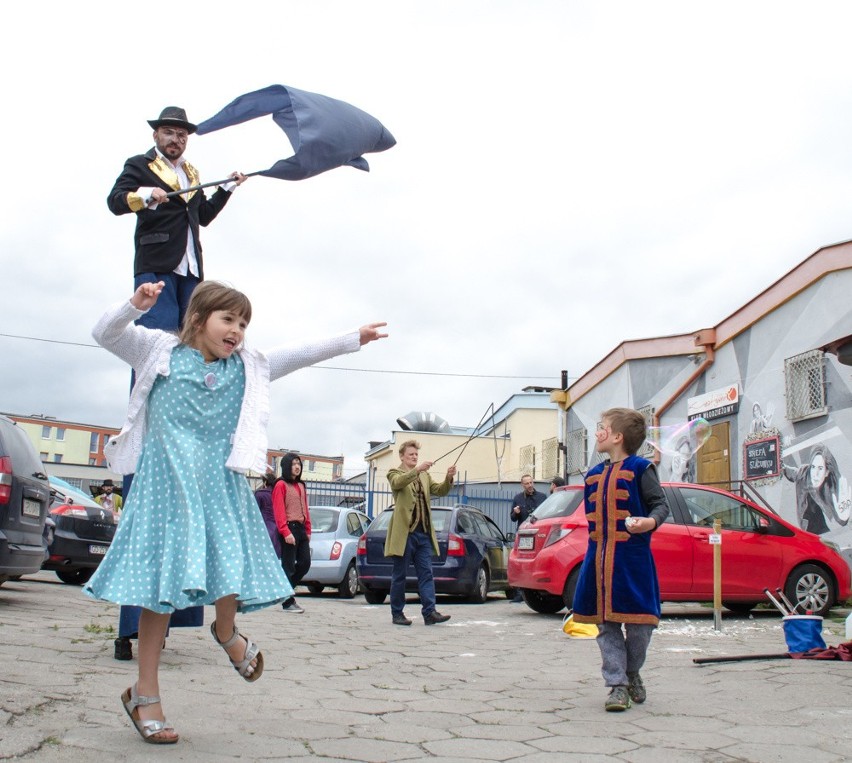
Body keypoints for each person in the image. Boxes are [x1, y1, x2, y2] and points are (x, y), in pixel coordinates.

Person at [83, 280, 387, 744]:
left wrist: (353, 338)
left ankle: (227, 633)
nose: (237, 331)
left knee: (229, 566)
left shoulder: (248, 366)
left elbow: (298, 353)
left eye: (244, 323)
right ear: (199, 319)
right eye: (229, 319)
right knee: (158, 591)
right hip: (166, 491)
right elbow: (105, 333)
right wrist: (133, 306)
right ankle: (145, 694)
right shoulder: (158, 350)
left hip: (220, 485)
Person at [107, 106, 247, 331]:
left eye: (181, 135)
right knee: (155, 336)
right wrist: (146, 195)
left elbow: (203, 216)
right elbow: (114, 201)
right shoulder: (140, 164)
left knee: (191, 338)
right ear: (156, 135)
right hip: (156, 263)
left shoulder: (191, 173)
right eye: (169, 132)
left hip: (191, 269)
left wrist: (226, 188)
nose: (175, 139)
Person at [572, 408, 670, 712]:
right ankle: (616, 685)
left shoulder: (642, 469)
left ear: (617, 437)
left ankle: (631, 672)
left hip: (633, 562)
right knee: (605, 623)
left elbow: (660, 505)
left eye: (602, 428)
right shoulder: (593, 474)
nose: (597, 432)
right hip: (598, 562)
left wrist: (649, 523)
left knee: (641, 626)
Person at [385, 440, 456, 626]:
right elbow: (398, 483)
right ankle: (397, 613)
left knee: (426, 573)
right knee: (399, 575)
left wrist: (448, 478)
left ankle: (429, 612)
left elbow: (439, 490)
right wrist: (417, 470)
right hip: (405, 534)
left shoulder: (425, 476)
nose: (414, 457)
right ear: (402, 456)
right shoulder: (394, 473)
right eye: (411, 455)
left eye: (416, 455)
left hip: (423, 533)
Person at [273, 453, 312, 614]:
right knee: (288, 566)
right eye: (294, 464)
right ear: (287, 466)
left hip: (301, 529)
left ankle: (282, 590)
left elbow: (305, 508)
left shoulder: (301, 486)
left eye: (299, 464)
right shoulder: (280, 485)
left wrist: (308, 529)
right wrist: (285, 531)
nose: (297, 467)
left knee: (305, 563)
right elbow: (278, 510)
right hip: (288, 529)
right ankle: (287, 601)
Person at [783, 444, 851, 534]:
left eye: (820, 468)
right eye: (813, 467)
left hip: (825, 530)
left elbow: (840, 519)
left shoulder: (831, 488)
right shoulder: (803, 473)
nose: (815, 473)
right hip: (806, 527)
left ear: (827, 472)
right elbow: (788, 471)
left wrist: (844, 518)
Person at [254, 471, 280, 558]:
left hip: (264, 528)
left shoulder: (260, 494)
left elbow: (254, 513)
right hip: (278, 529)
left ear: (265, 482)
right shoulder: (279, 494)